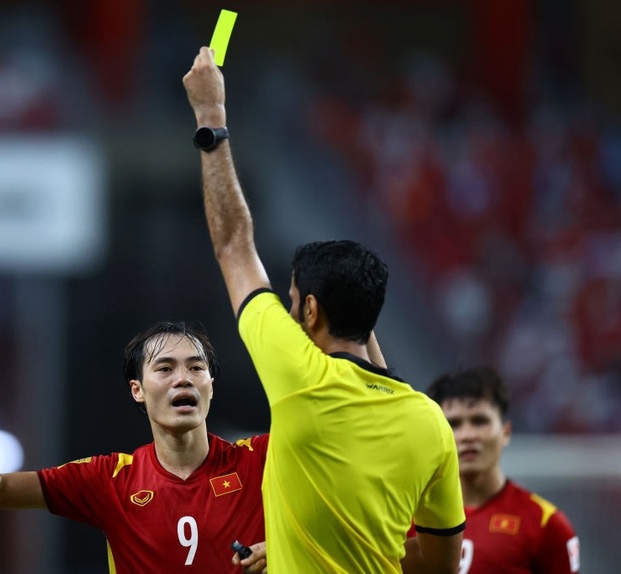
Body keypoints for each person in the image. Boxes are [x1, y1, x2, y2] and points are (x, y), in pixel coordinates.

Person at [182, 46, 465, 573]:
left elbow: (234, 246)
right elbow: (440, 566)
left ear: (310, 310)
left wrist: (210, 118)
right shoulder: (429, 423)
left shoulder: (301, 374)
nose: (288, 315)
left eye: (291, 303)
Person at [0, 320, 269, 573]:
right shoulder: (109, 480)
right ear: (137, 390)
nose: (183, 378)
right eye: (165, 368)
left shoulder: (264, 460)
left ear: (211, 385)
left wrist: (284, 550)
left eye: (196, 367)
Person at [425, 367, 581, 574]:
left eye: (479, 421)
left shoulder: (546, 524)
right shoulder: (408, 518)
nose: (467, 435)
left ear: (506, 432)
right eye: (453, 424)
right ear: (437, 436)